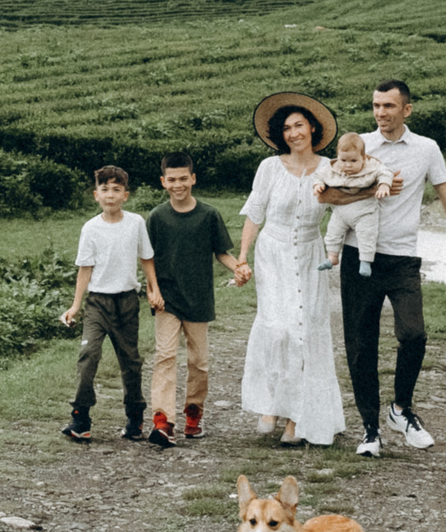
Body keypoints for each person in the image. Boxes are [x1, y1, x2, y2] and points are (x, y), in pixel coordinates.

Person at [318, 78, 446, 456]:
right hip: (358, 256)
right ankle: (369, 429)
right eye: (377, 106)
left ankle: (401, 409)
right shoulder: (358, 148)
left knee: (413, 334)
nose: (381, 113)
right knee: (361, 344)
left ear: (406, 110)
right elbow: (327, 194)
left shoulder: (426, 149)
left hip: (403, 258)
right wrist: (371, 190)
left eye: (389, 106)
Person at [237, 94, 348, 449]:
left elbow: (346, 205)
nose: (293, 133)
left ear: (313, 127)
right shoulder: (269, 168)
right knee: (278, 327)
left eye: (299, 125)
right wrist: (243, 257)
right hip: (273, 252)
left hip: (311, 255)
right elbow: (255, 213)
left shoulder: (331, 168)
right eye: (286, 128)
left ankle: (297, 418)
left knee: (306, 330)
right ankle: (271, 404)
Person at [144, 152, 246, 447]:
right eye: (172, 180)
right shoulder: (157, 217)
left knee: (199, 362)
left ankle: (193, 414)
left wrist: (239, 268)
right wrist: (152, 290)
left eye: (183, 179)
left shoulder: (209, 215)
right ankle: (163, 421)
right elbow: (147, 257)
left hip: (199, 298)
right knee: (165, 357)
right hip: (167, 299)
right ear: (164, 182)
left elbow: (221, 253)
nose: (178, 185)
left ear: (193, 179)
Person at [61, 165, 166, 444]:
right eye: (105, 189)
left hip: (127, 302)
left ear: (126, 195)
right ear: (96, 195)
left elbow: (147, 259)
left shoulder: (135, 223)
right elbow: (85, 268)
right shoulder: (91, 228)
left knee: (130, 362)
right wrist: (75, 306)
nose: (110, 195)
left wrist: (153, 289)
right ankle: (80, 418)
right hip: (97, 304)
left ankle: (135, 418)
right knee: (88, 357)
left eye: (116, 190)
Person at [316, 136, 383, 273]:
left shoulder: (371, 167)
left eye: (353, 161)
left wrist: (384, 185)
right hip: (341, 212)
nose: (348, 165)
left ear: (363, 159)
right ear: (338, 157)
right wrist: (318, 184)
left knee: (367, 236)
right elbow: (319, 176)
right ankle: (332, 257)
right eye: (343, 160)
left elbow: (385, 173)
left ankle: (365, 261)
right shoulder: (333, 169)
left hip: (364, 212)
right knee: (332, 233)